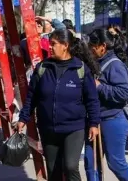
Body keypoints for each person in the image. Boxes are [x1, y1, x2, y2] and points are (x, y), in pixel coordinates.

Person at [17, 29, 101, 181]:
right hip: (48, 128)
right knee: (53, 170)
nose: (50, 47)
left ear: (65, 45)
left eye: (54, 44)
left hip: (74, 128)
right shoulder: (43, 68)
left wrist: (94, 123)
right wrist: (23, 118)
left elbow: (92, 100)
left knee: (70, 166)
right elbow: (32, 97)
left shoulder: (81, 69)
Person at [84, 28, 128, 181]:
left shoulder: (115, 65)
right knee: (91, 164)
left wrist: (99, 87)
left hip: (113, 120)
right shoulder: (95, 63)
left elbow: (124, 93)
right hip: (95, 122)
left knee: (116, 163)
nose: (90, 49)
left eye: (92, 46)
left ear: (103, 46)